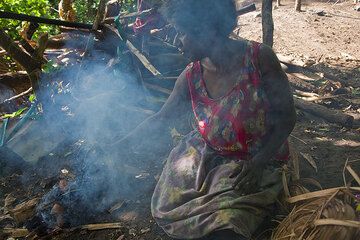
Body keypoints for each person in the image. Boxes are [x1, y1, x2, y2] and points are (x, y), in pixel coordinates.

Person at [111, 0, 296, 239]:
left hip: (257, 158)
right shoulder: (191, 76)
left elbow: (287, 117)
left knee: (228, 224)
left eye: (182, 33)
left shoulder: (259, 59)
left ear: (206, 29)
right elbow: (161, 119)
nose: (177, 42)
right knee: (178, 205)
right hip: (205, 155)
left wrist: (259, 162)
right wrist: (118, 147)